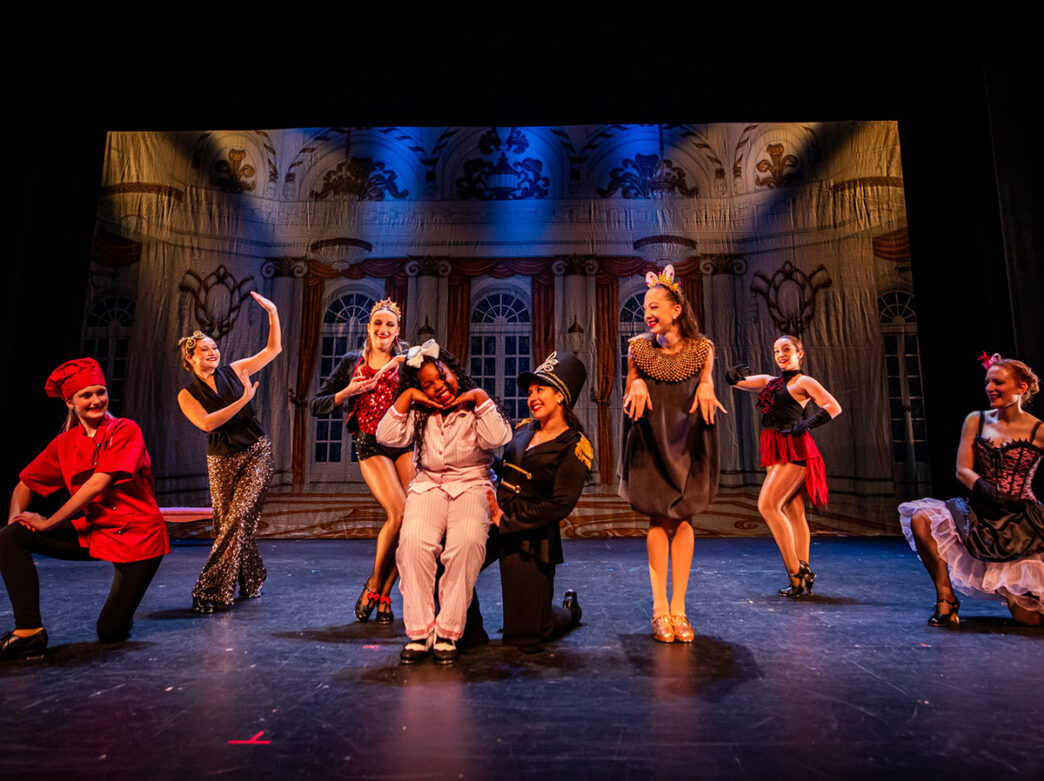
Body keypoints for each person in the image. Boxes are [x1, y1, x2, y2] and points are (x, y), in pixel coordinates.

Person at [1, 358, 169, 660]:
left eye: (100, 392)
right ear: (70, 402)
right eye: (86, 395)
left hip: (138, 537)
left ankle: (122, 611)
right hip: (96, 532)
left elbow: (98, 484)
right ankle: (28, 633)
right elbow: (25, 483)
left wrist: (48, 522)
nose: (96, 400)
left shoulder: (125, 430)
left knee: (109, 632)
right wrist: (18, 519)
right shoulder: (64, 444)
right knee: (10, 536)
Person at [376, 340, 512, 664]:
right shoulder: (420, 412)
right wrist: (408, 398)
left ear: (453, 371)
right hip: (429, 486)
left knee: (465, 545)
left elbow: (500, 438)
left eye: (441, 377)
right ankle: (420, 632)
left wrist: (479, 399)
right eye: (427, 385)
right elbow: (385, 435)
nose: (438, 388)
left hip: (472, 484)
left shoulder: (474, 405)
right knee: (412, 546)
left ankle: (448, 632)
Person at [620, 264, 724, 643]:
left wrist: (707, 387)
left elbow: (708, 379)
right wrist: (638, 385)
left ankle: (679, 608)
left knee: (683, 520)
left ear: (676, 309)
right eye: (644, 308)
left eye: (654, 306)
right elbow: (631, 382)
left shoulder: (702, 348)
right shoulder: (637, 348)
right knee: (658, 520)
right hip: (651, 436)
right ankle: (659, 609)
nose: (647, 313)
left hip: (689, 435)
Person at [899, 354, 1044, 627]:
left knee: (1029, 618)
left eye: (998, 382)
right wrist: (988, 489)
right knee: (922, 519)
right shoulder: (976, 420)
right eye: (988, 382)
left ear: (1021, 387)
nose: (990, 388)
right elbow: (962, 469)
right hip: (980, 511)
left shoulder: (1038, 429)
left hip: (1020, 522)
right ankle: (946, 598)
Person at [177, 291, 281, 613]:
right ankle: (252, 577)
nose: (212, 352)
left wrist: (273, 312)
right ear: (190, 360)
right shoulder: (186, 395)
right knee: (230, 524)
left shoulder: (236, 370)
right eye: (203, 349)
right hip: (221, 460)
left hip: (255, 451)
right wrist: (243, 401)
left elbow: (272, 349)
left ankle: (209, 590)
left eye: (214, 347)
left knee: (239, 517)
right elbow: (208, 424)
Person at [311, 299, 412, 624]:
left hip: (404, 442)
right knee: (398, 512)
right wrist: (347, 392)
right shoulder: (352, 361)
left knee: (413, 520)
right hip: (371, 443)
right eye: (377, 324)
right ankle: (373, 585)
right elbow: (317, 404)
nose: (383, 330)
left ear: (398, 330)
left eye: (390, 325)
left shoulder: (406, 359)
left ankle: (385, 592)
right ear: (368, 328)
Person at [487, 351, 590, 650]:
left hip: (530, 534)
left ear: (560, 395)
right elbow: (502, 469)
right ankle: (470, 629)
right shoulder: (522, 429)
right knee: (447, 566)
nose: (531, 397)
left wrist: (508, 523)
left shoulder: (574, 445)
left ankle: (568, 613)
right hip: (494, 519)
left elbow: (560, 504)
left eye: (540, 390)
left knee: (526, 636)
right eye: (530, 392)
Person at [725, 335, 842, 596]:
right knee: (793, 510)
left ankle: (797, 571)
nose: (781, 354)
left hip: (794, 447)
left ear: (799, 353)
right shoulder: (769, 381)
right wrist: (731, 376)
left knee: (768, 505)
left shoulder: (804, 381)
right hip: (774, 446)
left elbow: (833, 407)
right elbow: (738, 383)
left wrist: (805, 424)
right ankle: (801, 577)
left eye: (786, 349)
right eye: (777, 350)